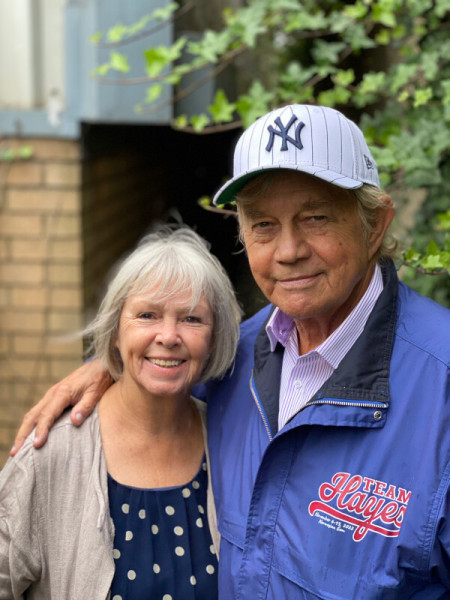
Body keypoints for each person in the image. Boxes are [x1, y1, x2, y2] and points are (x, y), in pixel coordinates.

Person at [11, 104, 450, 598]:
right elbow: (162, 357)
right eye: (263, 224)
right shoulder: (235, 359)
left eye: (316, 217)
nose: (288, 251)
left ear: (375, 225)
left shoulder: (441, 384)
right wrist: (106, 368)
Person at [0, 226, 242, 599]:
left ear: (214, 338)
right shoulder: (50, 454)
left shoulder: (235, 444)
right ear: (115, 331)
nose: (168, 335)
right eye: (147, 315)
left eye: (192, 319)